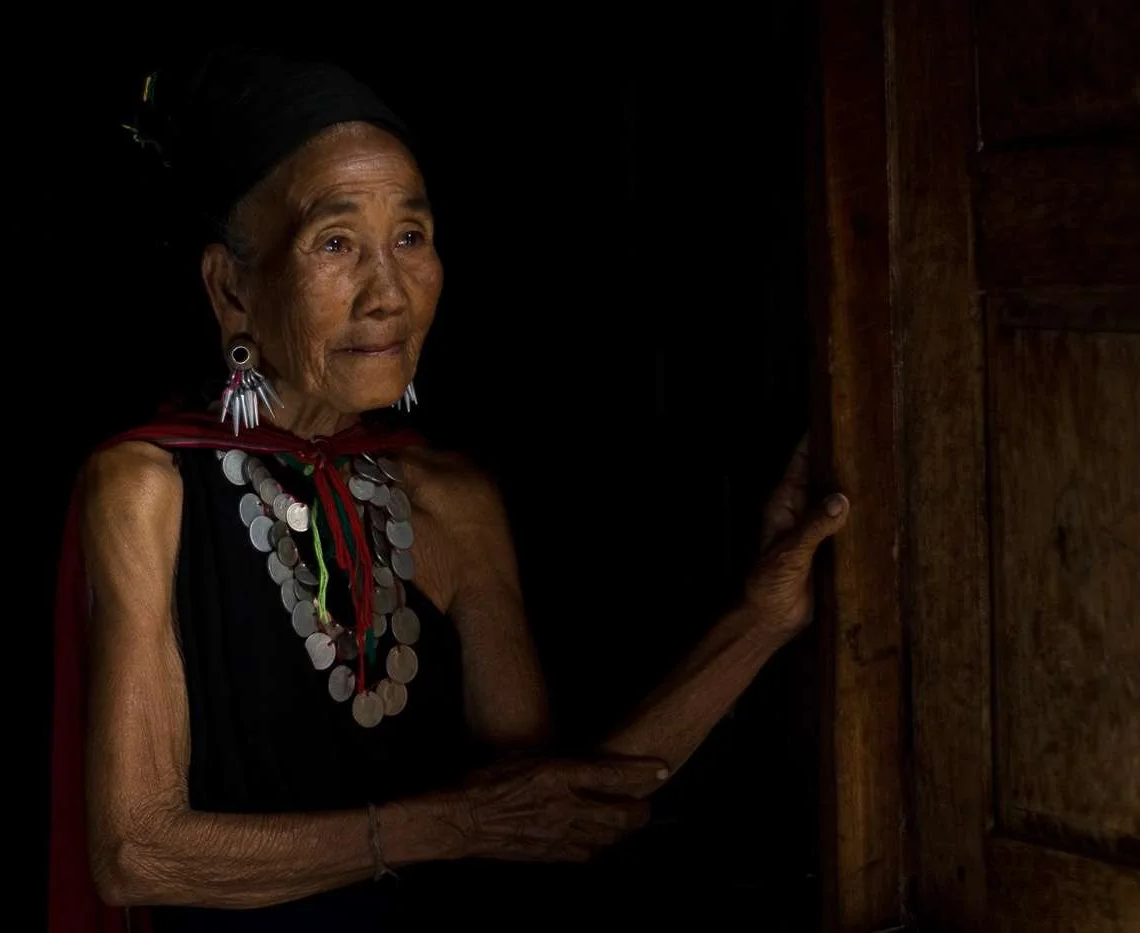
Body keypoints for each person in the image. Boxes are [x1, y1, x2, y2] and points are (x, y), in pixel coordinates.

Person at [47, 48, 850, 933]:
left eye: (411, 238)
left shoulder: (452, 498)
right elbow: (135, 852)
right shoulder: (146, 487)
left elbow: (551, 814)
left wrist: (762, 621)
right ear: (231, 288)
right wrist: (450, 824)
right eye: (337, 242)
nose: (386, 292)